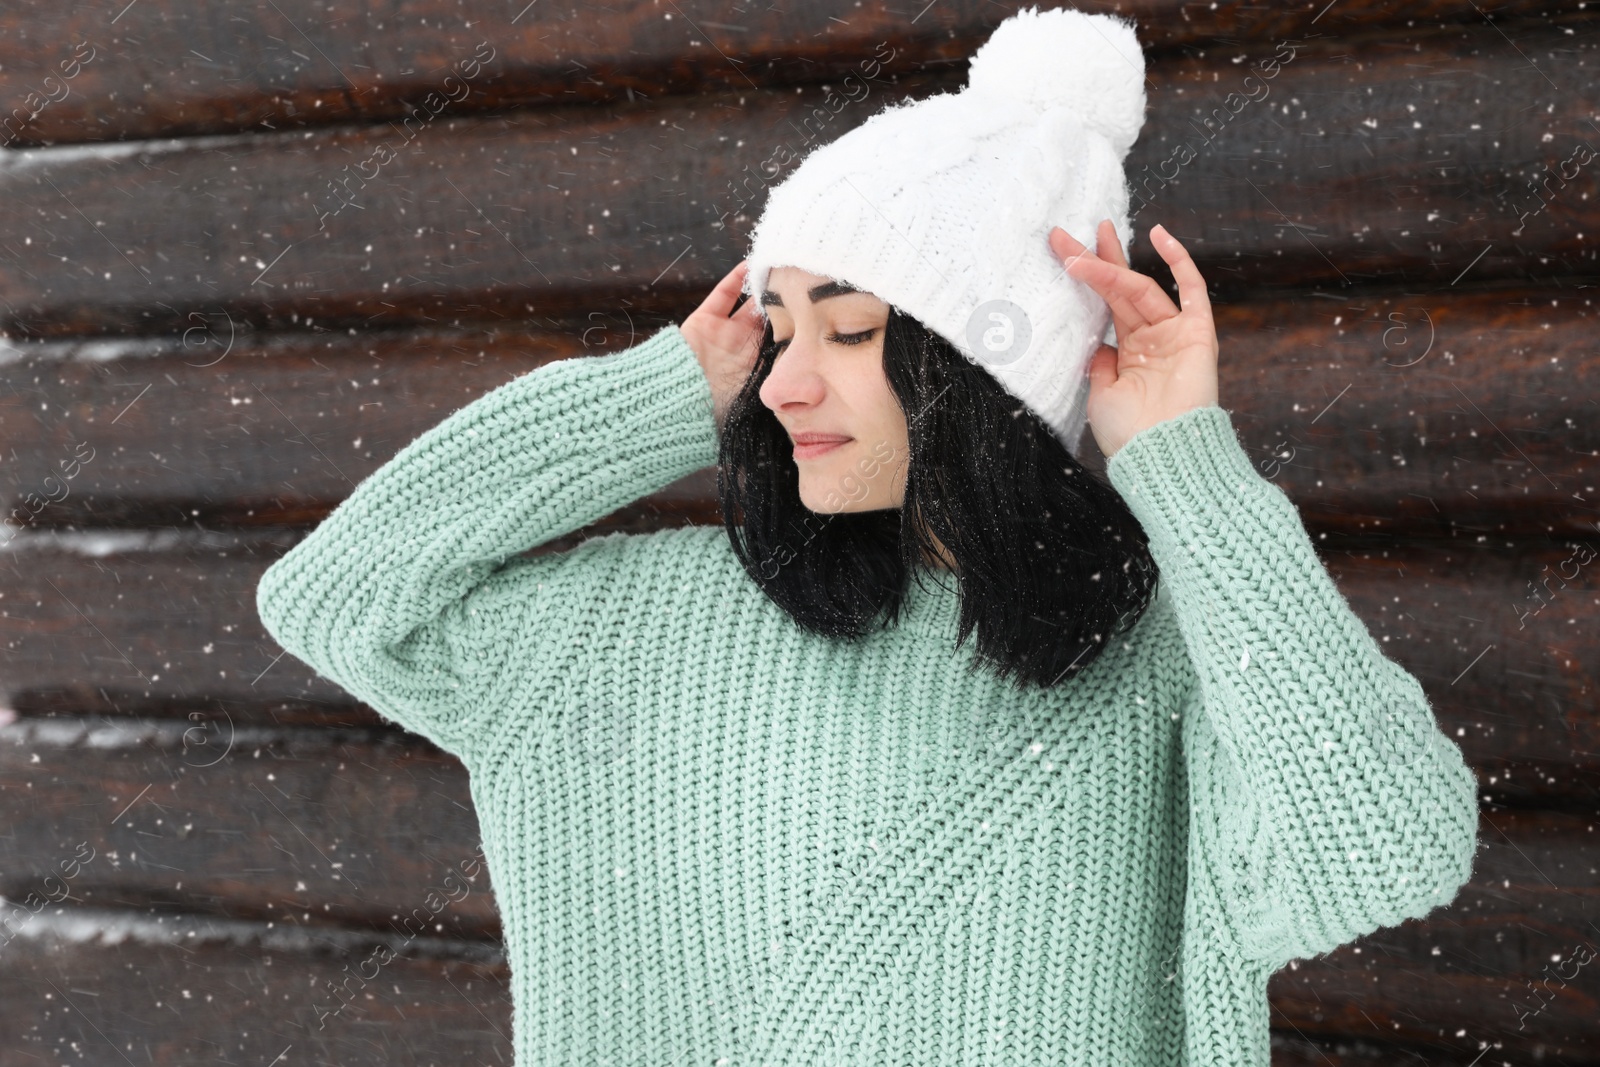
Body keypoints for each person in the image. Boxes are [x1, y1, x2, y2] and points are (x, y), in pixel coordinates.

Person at [255, 8, 1480, 1066]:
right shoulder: (630, 624)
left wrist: (1182, 460)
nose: (778, 383)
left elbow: (1379, 845)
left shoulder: (1160, 658)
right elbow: (341, 595)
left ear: (984, 375)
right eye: (775, 329)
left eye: (844, 330)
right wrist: (659, 394)